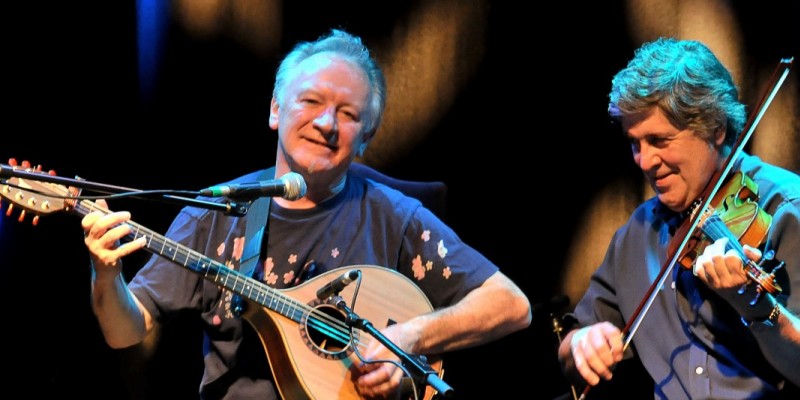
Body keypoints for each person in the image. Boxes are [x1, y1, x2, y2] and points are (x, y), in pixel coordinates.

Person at [81, 29, 532, 399]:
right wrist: (106, 274)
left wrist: (407, 340)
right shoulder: (216, 212)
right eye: (311, 102)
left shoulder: (394, 216)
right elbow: (125, 332)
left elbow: (511, 304)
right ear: (276, 110)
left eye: (348, 113)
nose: (326, 124)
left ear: (366, 138)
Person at [557, 37, 800, 399]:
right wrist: (580, 345)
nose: (644, 160)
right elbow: (573, 340)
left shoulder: (783, 208)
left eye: (659, 140)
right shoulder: (638, 233)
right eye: (635, 143)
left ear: (715, 129)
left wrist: (755, 305)